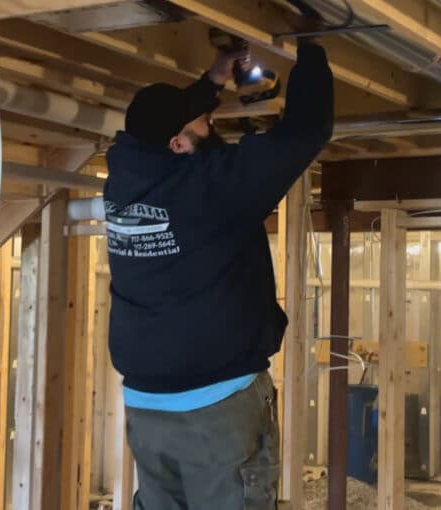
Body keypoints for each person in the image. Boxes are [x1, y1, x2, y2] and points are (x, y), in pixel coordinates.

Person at [102, 35, 334, 510]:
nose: (212, 122)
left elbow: (162, 122)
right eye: (204, 120)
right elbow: (307, 131)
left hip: (146, 403)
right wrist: (314, 44)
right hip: (215, 407)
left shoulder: (124, 178)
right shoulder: (211, 189)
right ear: (178, 143)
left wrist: (213, 81)